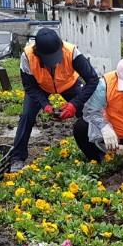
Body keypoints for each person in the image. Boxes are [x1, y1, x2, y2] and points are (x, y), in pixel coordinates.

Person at [10, 28, 100, 171]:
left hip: (68, 84)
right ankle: (17, 158)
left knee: (88, 113)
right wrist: (44, 104)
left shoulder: (72, 52)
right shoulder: (27, 56)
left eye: (55, 57)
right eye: (48, 59)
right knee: (26, 115)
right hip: (40, 87)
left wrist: (75, 104)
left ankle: (96, 151)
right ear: (37, 53)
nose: (53, 63)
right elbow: (29, 87)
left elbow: (93, 80)